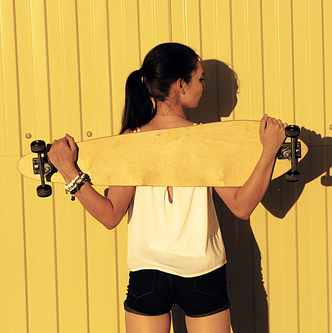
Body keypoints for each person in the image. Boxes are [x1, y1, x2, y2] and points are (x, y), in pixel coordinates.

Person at [47, 42, 287, 333]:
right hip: (203, 273)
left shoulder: (131, 140)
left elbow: (110, 216)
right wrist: (269, 151)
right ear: (180, 85)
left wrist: (69, 171)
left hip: (148, 277)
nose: (204, 86)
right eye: (200, 79)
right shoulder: (206, 139)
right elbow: (242, 206)